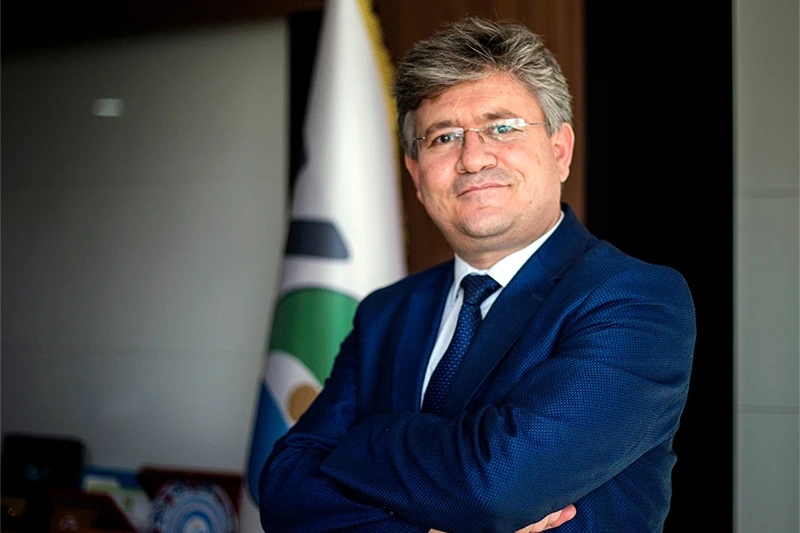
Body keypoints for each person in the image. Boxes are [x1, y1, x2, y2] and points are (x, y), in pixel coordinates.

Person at [259, 16, 695, 533]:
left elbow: (495, 487)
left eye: (502, 127)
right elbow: (283, 490)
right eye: (443, 137)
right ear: (416, 175)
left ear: (560, 150)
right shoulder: (386, 312)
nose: (472, 158)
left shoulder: (637, 301)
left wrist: (368, 437)